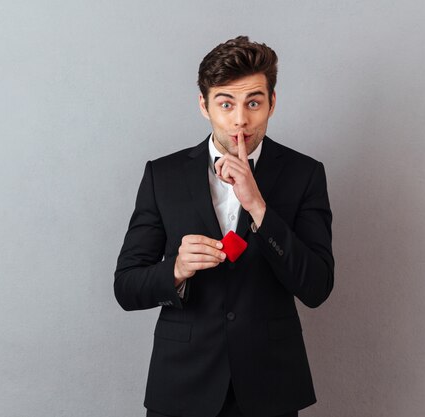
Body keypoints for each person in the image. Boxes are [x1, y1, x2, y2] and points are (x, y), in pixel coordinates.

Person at [114, 36, 334, 417]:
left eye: (253, 102)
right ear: (204, 105)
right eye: (225, 103)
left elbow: (317, 287)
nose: (240, 120)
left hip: (271, 385)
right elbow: (126, 287)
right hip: (182, 383)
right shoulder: (162, 176)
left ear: (272, 103)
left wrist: (259, 208)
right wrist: (177, 270)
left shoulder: (305, 174)